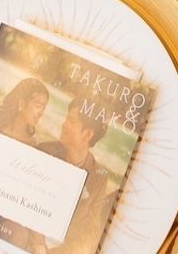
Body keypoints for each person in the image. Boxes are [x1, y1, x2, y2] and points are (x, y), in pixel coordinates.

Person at [33, 102, 117, 254]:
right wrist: (38, 243)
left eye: (71, 121)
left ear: (87, 134)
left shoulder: (98, 178)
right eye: (67, 118)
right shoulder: (45, 151)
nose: (64, 124)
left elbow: (91, 231)